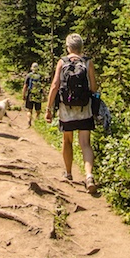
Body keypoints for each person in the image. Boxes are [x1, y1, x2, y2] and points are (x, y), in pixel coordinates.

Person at [46, 33, 98, 193]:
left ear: (68, 47)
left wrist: (48, 109)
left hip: (66, 108)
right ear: (81, 47)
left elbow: (55, 85)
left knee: (67, 141)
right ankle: (89, 176)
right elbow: (94, 88)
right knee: (85, 144)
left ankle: (68, 173)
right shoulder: (88, 62)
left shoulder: (62, 62)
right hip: (84, 107)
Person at [23, 61, 44, 126]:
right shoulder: (40, 76)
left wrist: (23, 95)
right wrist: (44, 95)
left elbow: (25, 86)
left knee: (29, 109)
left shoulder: (29, 75)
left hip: (30, 94)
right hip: (38, 94)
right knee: (38, 110)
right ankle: (37, 123)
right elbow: (42, 86)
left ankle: (29, 121)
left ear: (31, 68)